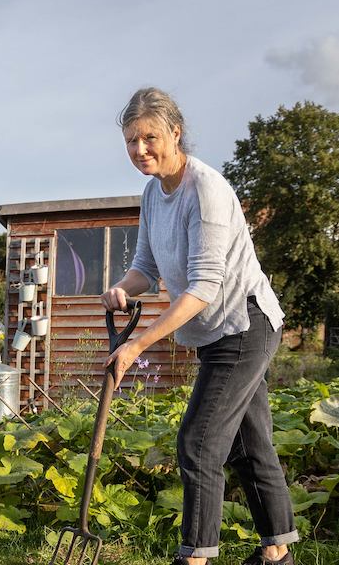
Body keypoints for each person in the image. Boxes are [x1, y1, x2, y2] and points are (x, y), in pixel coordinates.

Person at [100, 87, 298, 565]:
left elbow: (204, 286)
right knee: (249, 445)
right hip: (215, 332)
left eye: (149, 137)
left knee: (199, 441)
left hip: (244, 323)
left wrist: (137, 345)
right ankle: (278, 555)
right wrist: (123, 287)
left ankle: (195, 557)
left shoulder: (206, 190)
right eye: (131, 140)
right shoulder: (153, 193)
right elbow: (146, 267)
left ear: (175, 132)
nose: (140, 149)